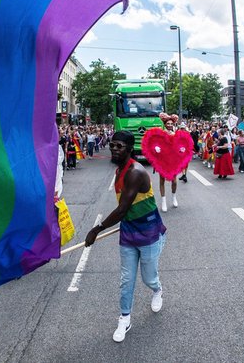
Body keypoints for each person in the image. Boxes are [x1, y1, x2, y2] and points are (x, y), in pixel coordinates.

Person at [85, 131, 166, 343]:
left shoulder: (135, 172)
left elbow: (121, 210)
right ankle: (125, 318)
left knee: (148, 278)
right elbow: (125, 213)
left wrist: (96, 229)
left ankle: (157, 290)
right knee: (126, 279)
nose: (114, 149)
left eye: (119, 146)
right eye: (112, 145)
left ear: (130, 149)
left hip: (148, 232)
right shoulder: (120, 169)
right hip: (129, 230)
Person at [158, 113, 179, 211]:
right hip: (162, 159)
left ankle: (174, 197)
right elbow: (156, 144)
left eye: (171, 123)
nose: (170, 125)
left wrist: (181, 149)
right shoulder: (161, 134)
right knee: (162, 180)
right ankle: (163, 201)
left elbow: (179, 145)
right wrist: (157, 148)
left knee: (174, 181)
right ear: (165, 124)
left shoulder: (176, 134)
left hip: (173, 159)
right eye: (168, 123)